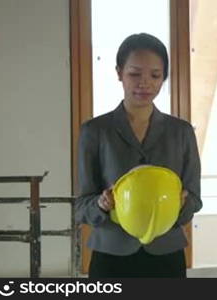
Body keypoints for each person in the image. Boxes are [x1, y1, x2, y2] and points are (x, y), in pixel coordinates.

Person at [76, 33, 202, 278]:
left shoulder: (182, 132)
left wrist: (183, 202)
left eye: (155, 75)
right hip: (111, 256)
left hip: (166, 255)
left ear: (164, 77)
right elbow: (81, 206)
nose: (145, 83)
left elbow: (195, 198)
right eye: (135, 74)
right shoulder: (95, 131)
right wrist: (101, 204)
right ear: (119, 73)